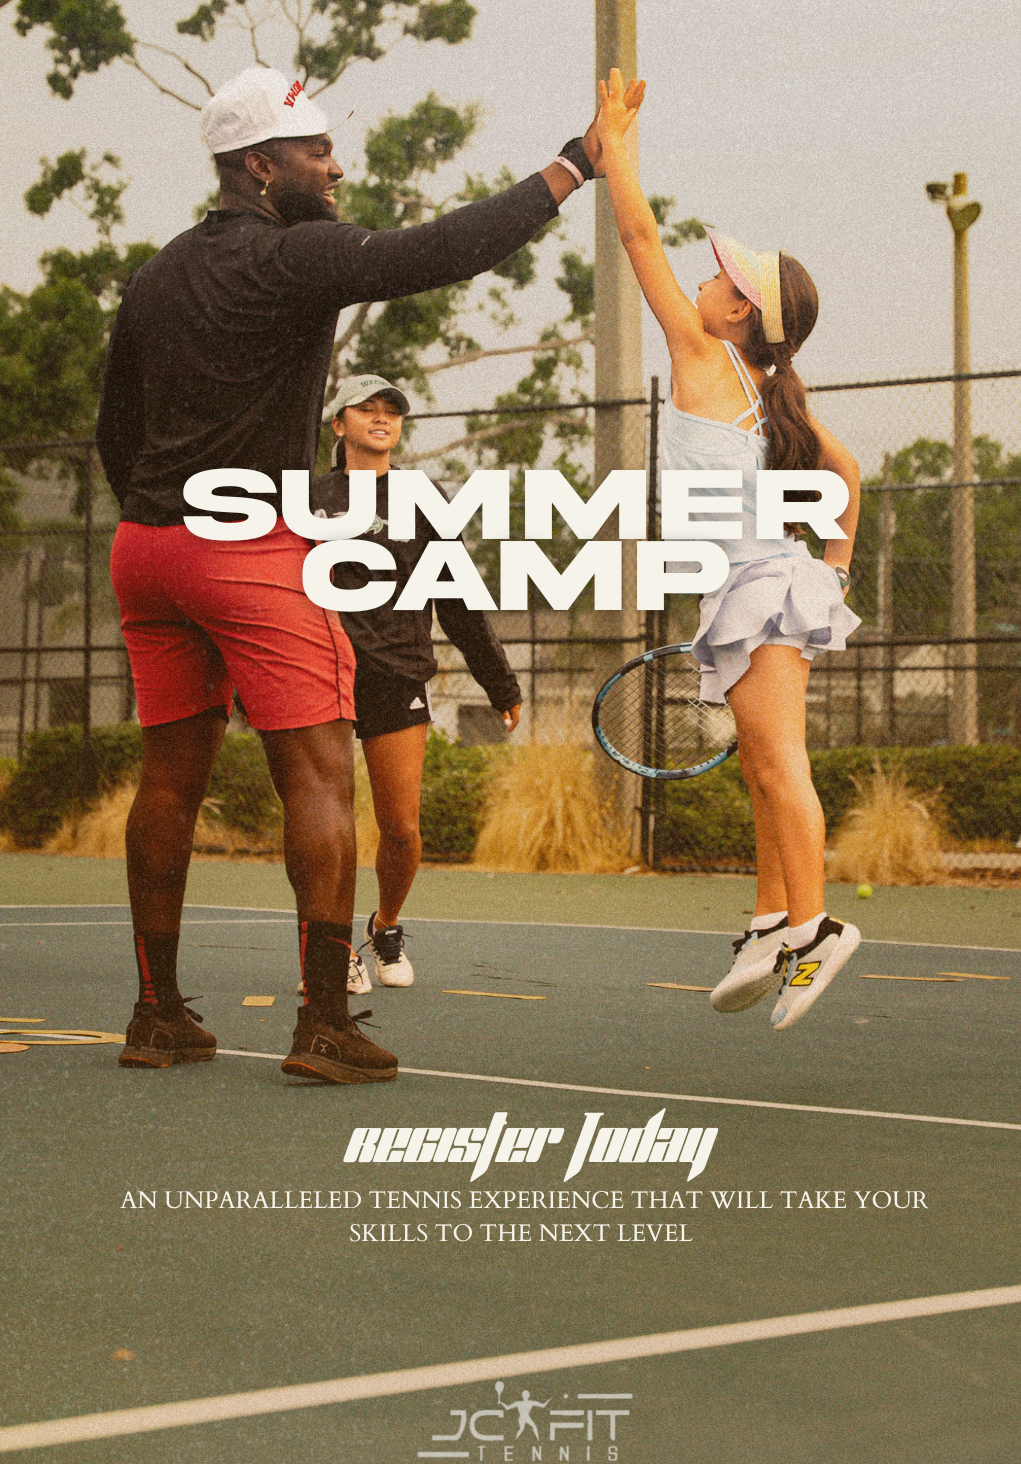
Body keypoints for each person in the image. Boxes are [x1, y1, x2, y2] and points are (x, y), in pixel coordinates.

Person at [97, 63, 642, 1083]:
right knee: (318, 770)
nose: (335, 166)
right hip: (244, 543)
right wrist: (576, 165)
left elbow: (115, 429)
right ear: (262, 167)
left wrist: (158, 518)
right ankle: (321, 1025)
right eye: (316, 152)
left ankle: (158, 1015)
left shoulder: (157, 273)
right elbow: (436, 252)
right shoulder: (293, 258)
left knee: (168, 780)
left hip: (147, 548)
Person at [595, 68, 861, 1030]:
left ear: (737, 312)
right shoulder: (769, 392)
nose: (703, 278)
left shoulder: (701, 354)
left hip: (758, 585)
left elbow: (634, 239)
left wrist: (613, 151)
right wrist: (829, 572)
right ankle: (767, 921)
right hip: (761, 582)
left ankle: (818, 929)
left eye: (720, 276)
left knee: (780, 762)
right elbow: (851, 475)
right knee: (759, 764)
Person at [307, 372, 522, 994]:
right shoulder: (310, 497)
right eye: (366, 409)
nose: (381, 418)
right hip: (322, 672)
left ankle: (386, 925)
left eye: (392, 411)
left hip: (397, 674)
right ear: (339, 423)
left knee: (400, 828)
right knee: (332, 824)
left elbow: (455, 597)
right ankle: (335, 945)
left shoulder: (423, 499)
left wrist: (499, 682)